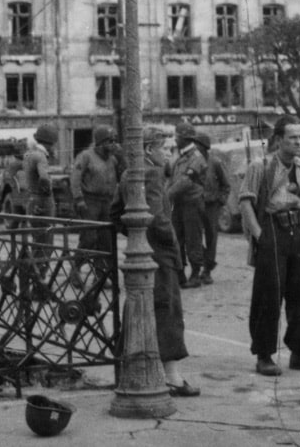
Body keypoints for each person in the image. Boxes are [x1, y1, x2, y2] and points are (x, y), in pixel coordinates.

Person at [111, 126, 200, 397]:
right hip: (158, 255)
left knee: (142, 310)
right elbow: (159, 219)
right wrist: (171, 244)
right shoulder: (151, 173)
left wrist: (136, 236)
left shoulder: (129, 173)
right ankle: (172, 378)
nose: (170, 154)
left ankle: (136, 370)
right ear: (149, 149)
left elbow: (115, 213)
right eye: (166, 149)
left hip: (142, 252)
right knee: (168, 312)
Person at [239, 114, 300, 377]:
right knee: (269, 295)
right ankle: (264, 355)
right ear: (278, 140)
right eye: (293, 137)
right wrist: (259, 235)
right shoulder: (261, 166)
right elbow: (245, 202)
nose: (298, 142)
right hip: (273, 231)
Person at [69, 125, 120, 284]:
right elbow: (75, 178)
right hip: (90, 201)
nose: (113, 144)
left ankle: (100, 275)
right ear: (99, 142)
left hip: (107, 202)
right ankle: (75, 270)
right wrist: (79, 199)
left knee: (106, 241)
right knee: (89, 238)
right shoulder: (86, 156)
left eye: (114, 141)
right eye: (109, 141)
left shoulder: (112, 159)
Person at [168, 121, 207, 289]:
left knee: (193, 239)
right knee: (177, 238)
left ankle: (195, 274)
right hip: (179, 203)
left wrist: (166, 195)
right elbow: (172, 178)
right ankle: (180, 273)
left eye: (177, 136)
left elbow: (186, 181)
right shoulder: (181, 156)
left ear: (185, 138)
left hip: (192, 203)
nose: (175, 138)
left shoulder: (196, 157)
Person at [23, 123, 59, 285]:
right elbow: (44, 177)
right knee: (46, 243)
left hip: (32, 200)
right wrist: (47, 193)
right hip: (42, 202)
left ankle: (33, 279)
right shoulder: (41, 157)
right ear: (49, 143)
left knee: (37, 243)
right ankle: (39, 281)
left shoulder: (30, 154)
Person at [193, 132, 230, 285]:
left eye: (197, 144)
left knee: (211, 237)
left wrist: (221, 201)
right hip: (196, 204)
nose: (195, 147)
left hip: (211, 205)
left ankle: (207, 270)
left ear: (203, 147)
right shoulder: (193, 162)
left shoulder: (214, 162)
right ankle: (205, 262)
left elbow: (226, 185)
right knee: (194, 236)